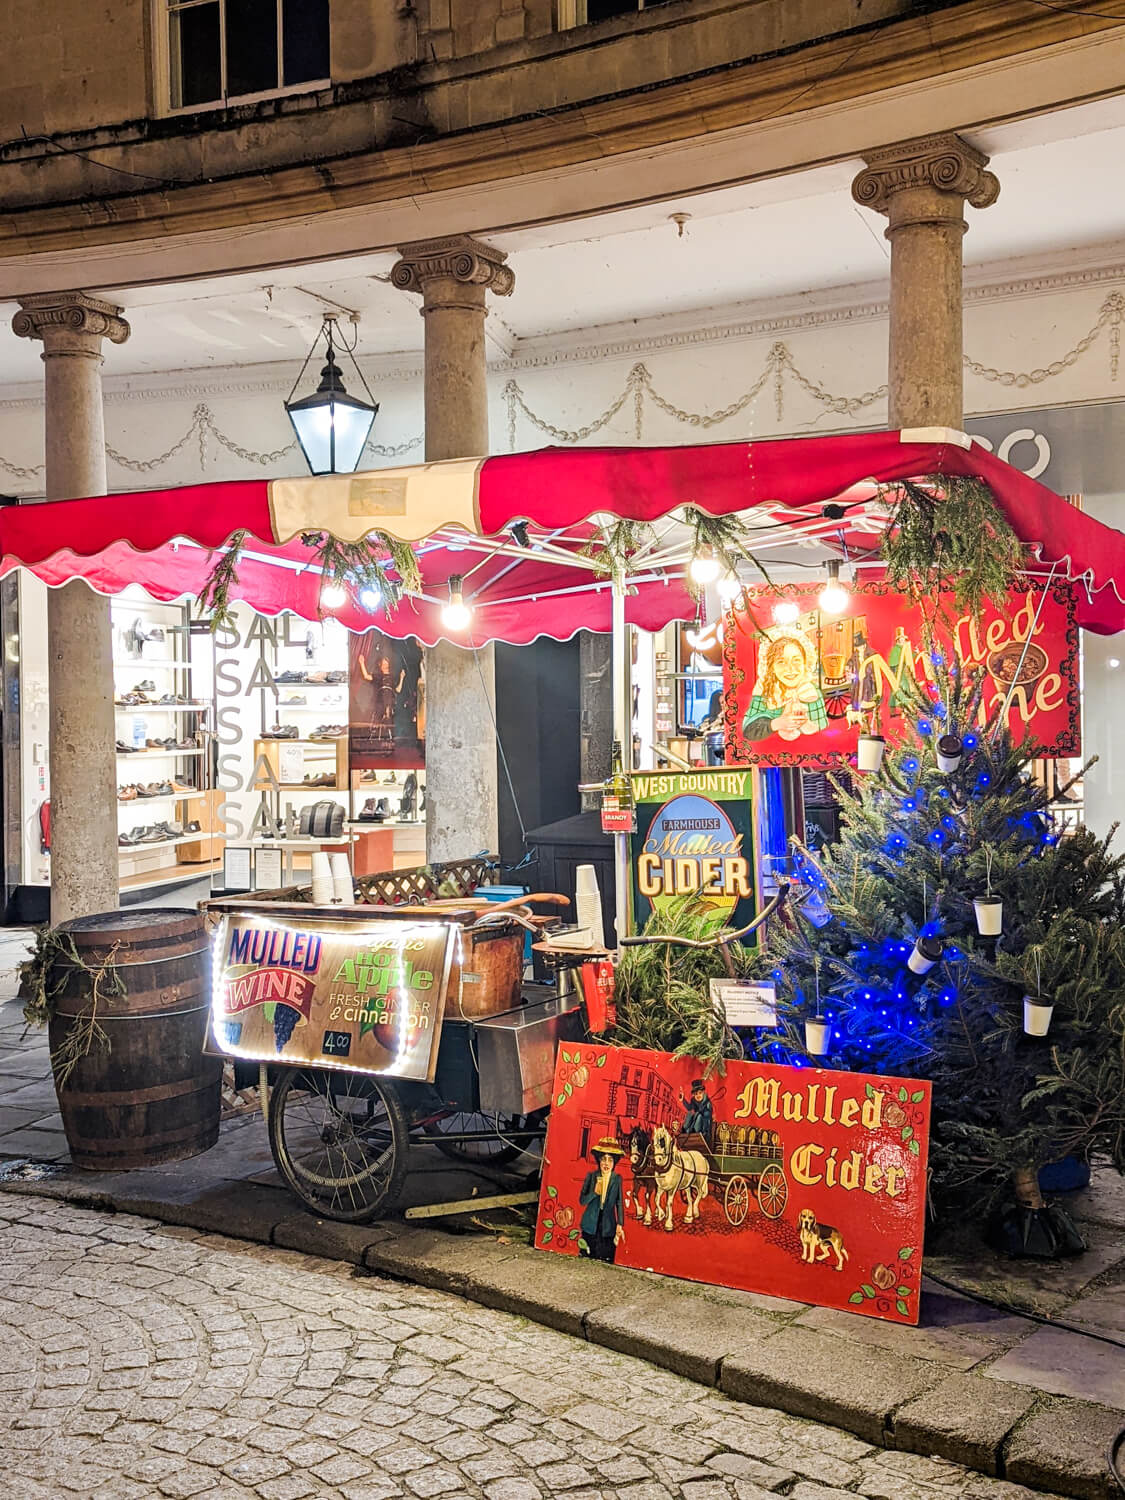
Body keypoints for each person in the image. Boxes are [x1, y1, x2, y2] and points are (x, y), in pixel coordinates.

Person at [742, 632, 828, 742]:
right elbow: (748, 730)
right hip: (770, 754)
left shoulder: (811, 691)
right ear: (771, 667)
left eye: (796, 660)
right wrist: (777, 723)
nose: (790, 669)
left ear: (805, 663)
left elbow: (824, 729)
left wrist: (806, 723)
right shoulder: (764, 690)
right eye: (781, 662)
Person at [578, 1137, 627, 1262]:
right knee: (588, 1252)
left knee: (606, 1254)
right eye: (603, 1159)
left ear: (614, 1163)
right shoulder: (592, 1176)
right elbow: (582, 1201)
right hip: (591, 1221)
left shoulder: (617, 1179)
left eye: (610, 1160)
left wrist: (620, 1223)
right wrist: (594, 1193)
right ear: (599, 1161)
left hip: (608, 1223)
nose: (606, 1163)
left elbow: (619, 1202)